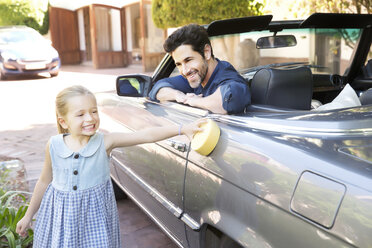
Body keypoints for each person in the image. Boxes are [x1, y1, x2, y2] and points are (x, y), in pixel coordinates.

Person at [16, 85, 205, 247]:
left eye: (94, 111)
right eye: (80, 114)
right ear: (63, 121)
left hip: (94, 221)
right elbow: (43, 182)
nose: (90, 118)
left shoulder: (105, 142)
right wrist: (28, 215)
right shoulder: (54, 145)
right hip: (60, 220)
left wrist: (182, 129)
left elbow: (146, 135)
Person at [149, 23, 251, 114]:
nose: (184, 71)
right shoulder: (196, 78)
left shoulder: (227, 77)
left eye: (188, 60)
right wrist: (178, 95)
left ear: (206, 52)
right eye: (179, 64)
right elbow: (157, 88)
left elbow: (229, 100)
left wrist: (194, 101)